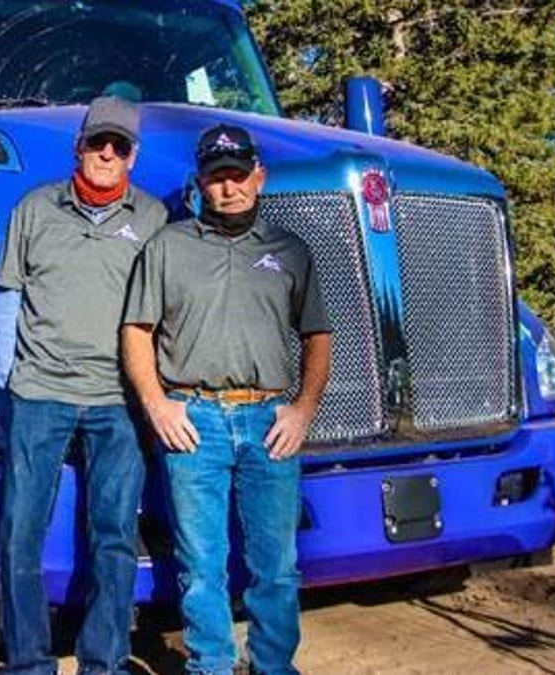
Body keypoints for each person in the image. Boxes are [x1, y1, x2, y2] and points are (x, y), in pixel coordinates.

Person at [121, 124, 333, 674]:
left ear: (258, 178)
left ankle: (272, 665)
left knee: (277, 564)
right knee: (201, 561)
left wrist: (303, 409)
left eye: (238, 176)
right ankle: (210, 665)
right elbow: (137, 331)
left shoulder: (290, 251)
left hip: (269, 422)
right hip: (195, 422)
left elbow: (317, 335)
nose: (229, 189)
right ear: (201, 184)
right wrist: (158, 405)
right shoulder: (167, 247)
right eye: (217, 179)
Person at [0, 96, 167, 674]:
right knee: (21, 534)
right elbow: (9, 296)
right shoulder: (35, 209)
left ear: (133, 157)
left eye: (120, 147)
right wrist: (9, 379)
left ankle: (104, 662)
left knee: (114, 537)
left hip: (118, 403)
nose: (108, 155)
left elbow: (165, 310)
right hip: (39, 393)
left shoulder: (152, 220)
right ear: (80, 147)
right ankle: (28, 664)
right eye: (99, 143)